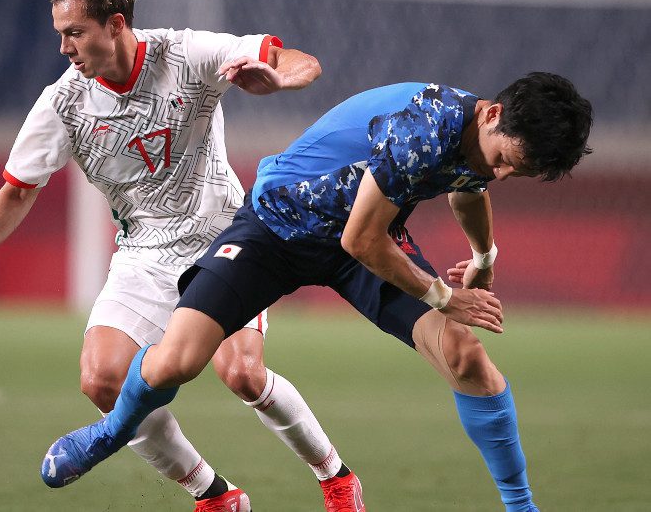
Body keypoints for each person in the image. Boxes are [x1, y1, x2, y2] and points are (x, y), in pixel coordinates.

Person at [44, 72, 594, 512]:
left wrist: (483, 256)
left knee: (465, 356)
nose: (499, 174)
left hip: (358, 237)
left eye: (513, 172)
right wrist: (445, 298)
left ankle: (521, 508)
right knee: (177, 363)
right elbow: (362, 240)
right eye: (503, 159)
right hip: (276, 228)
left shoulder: (480, 137)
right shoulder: (424, 130)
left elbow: (466, 187)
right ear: (492, 114)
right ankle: (113, 433)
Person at [0, 0, 365, 510]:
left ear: (115, 24)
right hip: (144, 251)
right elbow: (19, 189)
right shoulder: (63, 103)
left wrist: (279, 78)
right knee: (101, 380)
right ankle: (214, 495)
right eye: (59, 34)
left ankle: (335, 477)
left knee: (242, 373)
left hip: (227, 236)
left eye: (74, 33)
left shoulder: (186, 54)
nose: (64, 48)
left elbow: (296, 59)